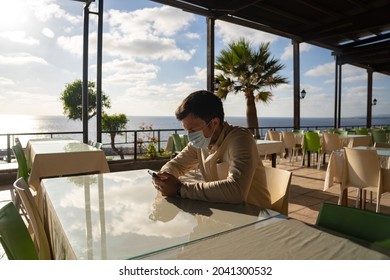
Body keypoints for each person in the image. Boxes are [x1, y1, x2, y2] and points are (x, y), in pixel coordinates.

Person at [152, 90, 271, 207]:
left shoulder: (240, 138)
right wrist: (164, 178)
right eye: (186, 130)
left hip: (256, 217)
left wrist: (180, 189)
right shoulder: (200, 143)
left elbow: (236, 190)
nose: (190, 136)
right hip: (224, 213)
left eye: (193, 130)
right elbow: (176, 165)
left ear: (214, 122)